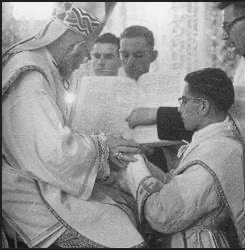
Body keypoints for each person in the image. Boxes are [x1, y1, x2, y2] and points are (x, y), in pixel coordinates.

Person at [126, 2, 245, 248]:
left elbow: (224, 115)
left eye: (228, 26)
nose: (223, 34)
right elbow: (216, 106)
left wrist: (154, 114)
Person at [2, 2, 147, 248]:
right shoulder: (31, 75)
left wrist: (102, 150)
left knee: (121, 205)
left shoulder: (43, 64)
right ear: (75, 46)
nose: (82, 63)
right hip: (24, 187)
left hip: (39, 176)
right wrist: (103, 148)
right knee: (118, 228)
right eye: (84, 56)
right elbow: (53, 151)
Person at [116, 68, 245, 248]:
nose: (179, 109)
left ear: (203, 106)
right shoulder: (217, 142)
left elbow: (163, 214)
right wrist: (142, 159)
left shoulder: (215, 152)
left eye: (184, 101)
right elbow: (176, 185)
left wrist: (136, 167)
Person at [120, 25, 169, 172]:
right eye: (124, 55)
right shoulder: (110, 90)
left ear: (153, 56)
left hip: (156, 167)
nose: (129, 63)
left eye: (138, 55)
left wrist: (154, 150)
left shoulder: (168, 92)